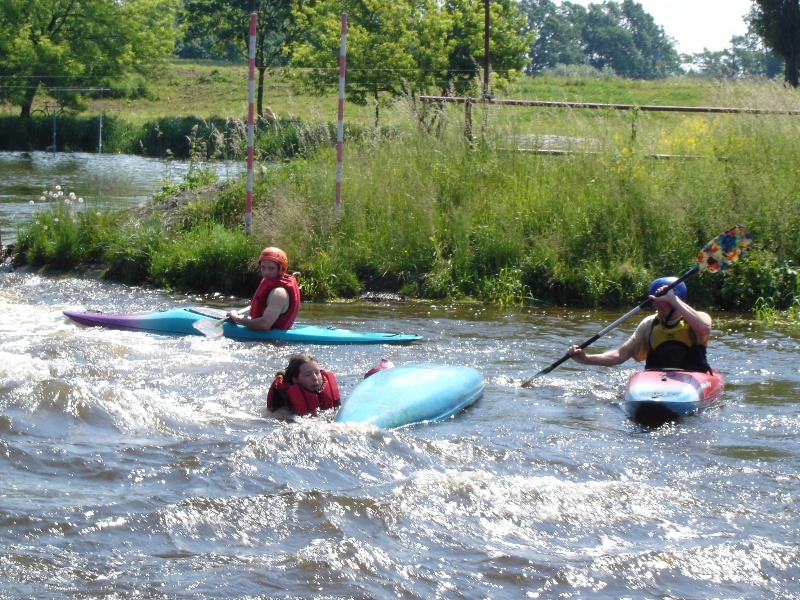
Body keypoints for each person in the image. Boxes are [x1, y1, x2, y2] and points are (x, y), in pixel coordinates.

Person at [566, 277, 712, 373]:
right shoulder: (650, 324)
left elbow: (703, 328)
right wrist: (586, 359)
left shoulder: (698, 318)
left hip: (692, 381)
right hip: (655, 381)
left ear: (675, 299)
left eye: (659, 300)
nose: (654, 304)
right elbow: (619, 355)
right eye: (652, 300)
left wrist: (674, 300)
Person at [227, 247, 300, 331]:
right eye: (263, 267)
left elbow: (264, 325)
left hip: (275, 342)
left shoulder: (279, 293)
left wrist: (237, 319)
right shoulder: (271, 284)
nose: (266, 272)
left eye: (271, 268)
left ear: (281, 269)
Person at [266, 353, 340, 417]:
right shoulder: (285, 406)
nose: (315, 378)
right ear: (295, 379)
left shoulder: (327, 388)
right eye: (308, 375)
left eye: (317, 373)